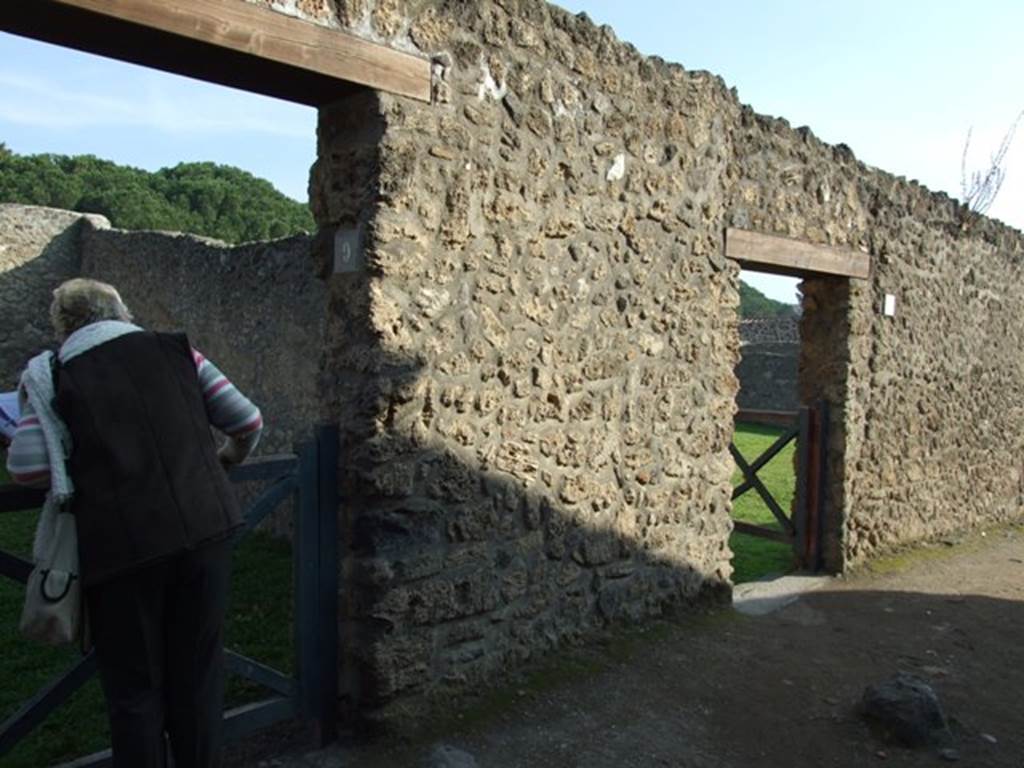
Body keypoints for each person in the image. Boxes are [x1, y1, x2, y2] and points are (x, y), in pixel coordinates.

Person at [6, 278, 263, 768]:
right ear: (122, 311)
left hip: (122, 549)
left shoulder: (55, 375)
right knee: (198, 683)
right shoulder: (178, 352)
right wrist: (226, 459)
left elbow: (27, 468)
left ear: (63, 325)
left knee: (136, 694)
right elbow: (248, 421)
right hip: (204, 531)